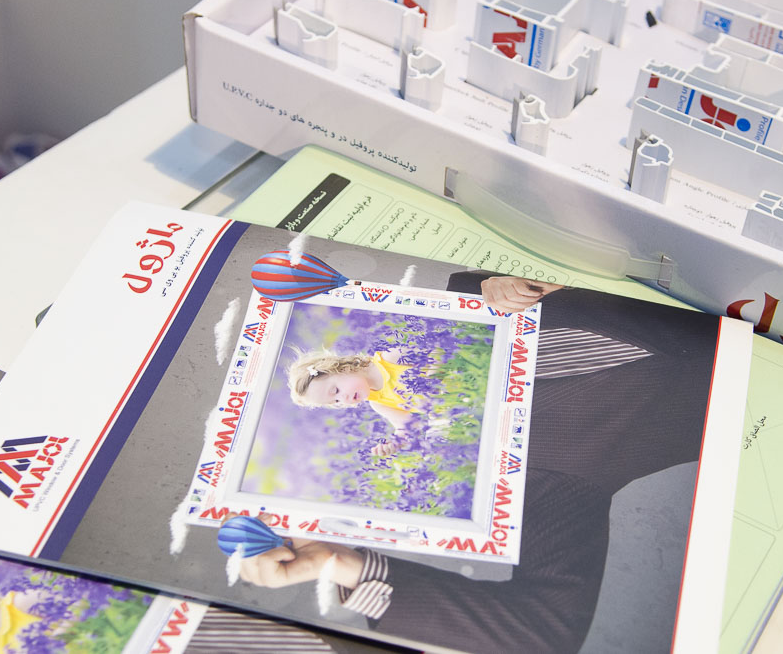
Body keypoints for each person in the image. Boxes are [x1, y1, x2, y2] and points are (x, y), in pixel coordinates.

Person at [241, 272, 725, 653]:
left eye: (333, 391)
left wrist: (520, 286)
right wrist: (344, 565)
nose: (342, 402)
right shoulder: (538, 483)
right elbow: (542, 633)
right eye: (333, 406)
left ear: (339, 367)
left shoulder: (465, 300)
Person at [288, 348, 422, 458]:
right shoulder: (379, 403)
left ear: (342, 369)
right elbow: (410, 425)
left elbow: (433, 353)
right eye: (336, 401)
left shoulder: (391, 359)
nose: (344, 399)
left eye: (336, 391)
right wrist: (395, 443)